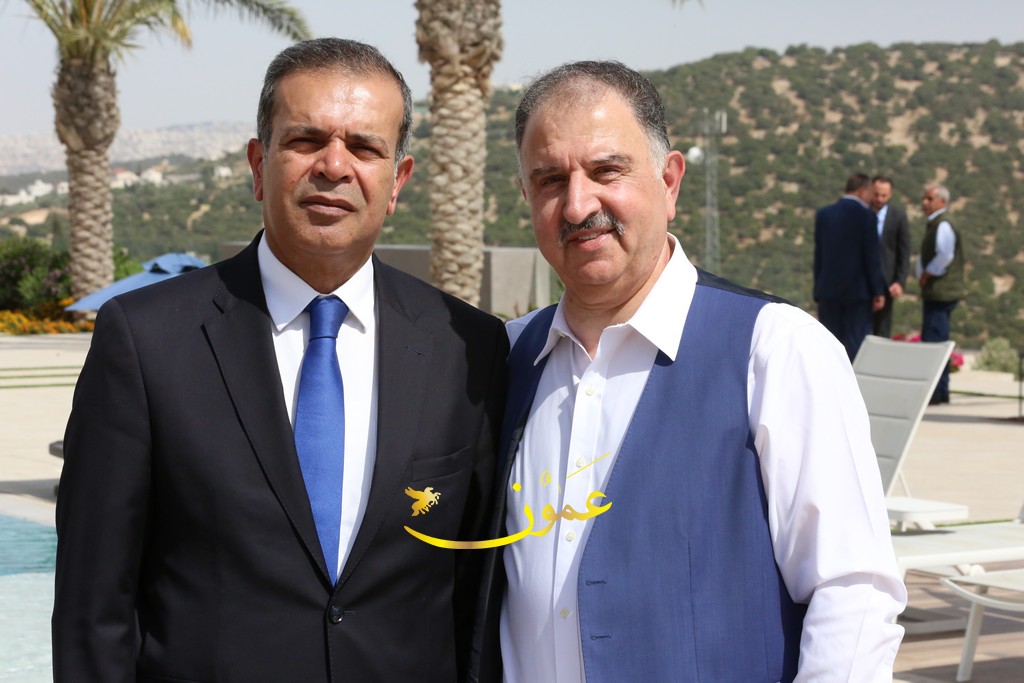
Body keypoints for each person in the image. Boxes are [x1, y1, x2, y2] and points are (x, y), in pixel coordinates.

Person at [53, 38, 508, 682]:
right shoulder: (145, 340)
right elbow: (92, 607)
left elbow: (475, 598)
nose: (334, 166)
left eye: (365, 147)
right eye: (305, 140)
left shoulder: (469, 347)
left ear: (398, 181)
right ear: (257, 163)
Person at [470, 61, 906, 682]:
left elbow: (853, 591)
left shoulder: (775, 350)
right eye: (550, 180)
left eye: (606, 171)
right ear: (526, 197)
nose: (578, 203)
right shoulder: (508, 358)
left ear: (669, 180)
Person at [813, 172, 887, 361]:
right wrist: (878, 291)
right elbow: (871, 257)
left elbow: (819, 255)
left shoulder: (824, 214)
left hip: (828, 291)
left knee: (830, 343)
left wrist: (818, 288)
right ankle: (852, 379)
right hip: (858, 293)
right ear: (862, 191)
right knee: (855, 344)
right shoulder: (867, 216)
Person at [918, 182, 966, 405]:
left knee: (935, 342)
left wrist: (928, 273)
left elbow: (945, 255)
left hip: (941, 292)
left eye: (930, 199)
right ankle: (940, 389)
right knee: (937, 339)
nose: (925, 203)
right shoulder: (936, 223)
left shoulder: (943, 224)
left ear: (942, 201)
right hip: (937, 292)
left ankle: (937, 391)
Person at [870, 175, 911, 338]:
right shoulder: (860, 213)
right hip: (860, 285)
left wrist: (899, 281)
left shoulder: (898, 217)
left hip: (886, 284)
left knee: (882, 331)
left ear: (890, 194)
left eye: (884, 195)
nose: (879, 199)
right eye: (876, 194)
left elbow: (904, 251)